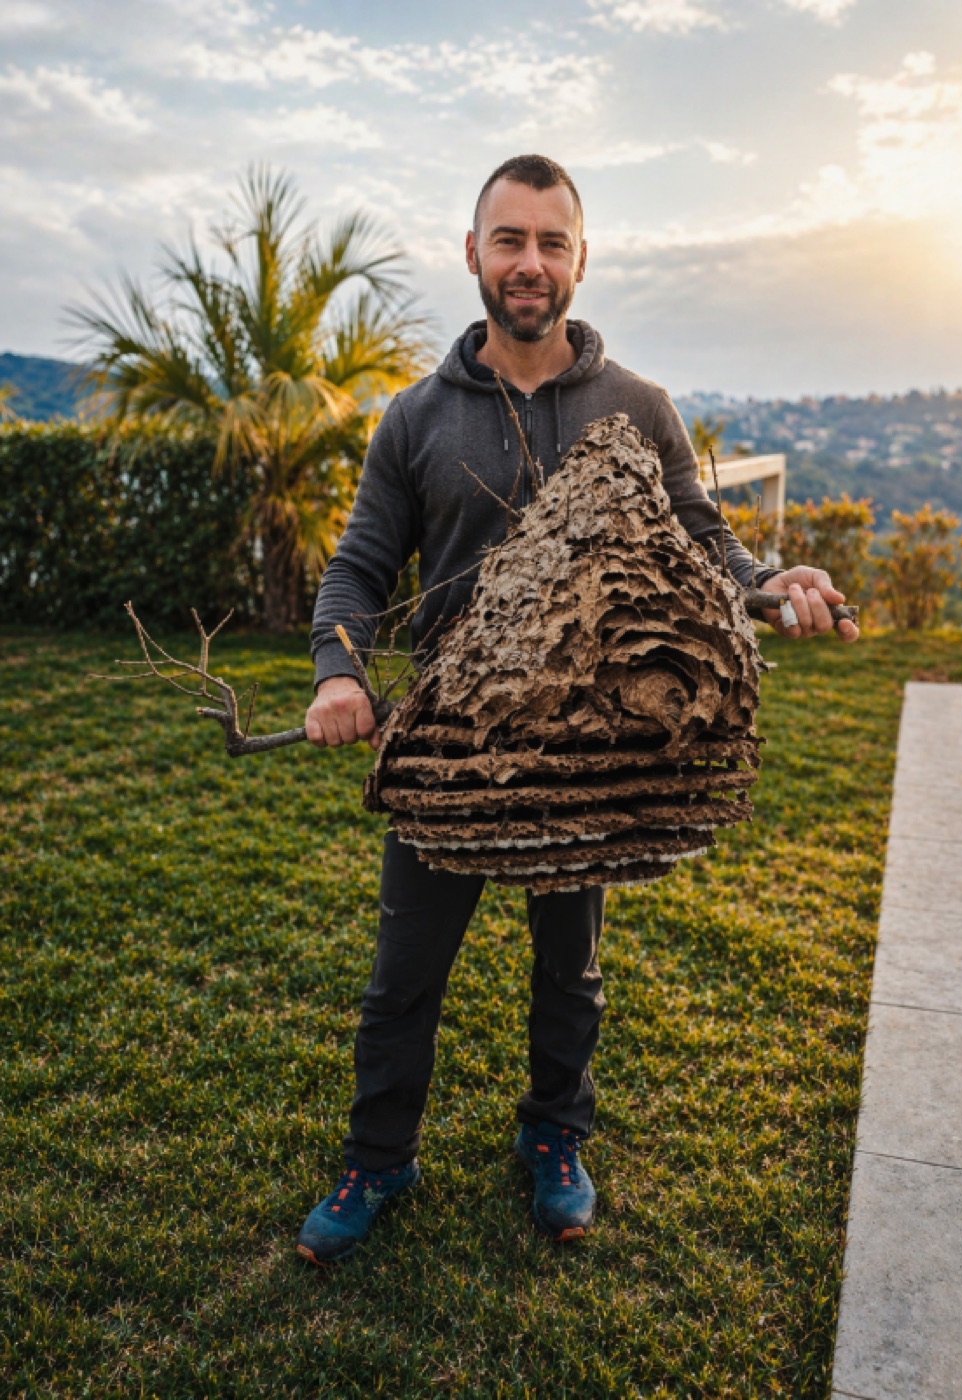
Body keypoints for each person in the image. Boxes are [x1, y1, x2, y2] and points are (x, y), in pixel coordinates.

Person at [296, 154, 859, 1267]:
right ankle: (378, 1156)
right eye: (508, 239)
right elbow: (358, 566)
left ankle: (554, 1137)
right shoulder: (414, 419)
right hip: (450, 751)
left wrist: (766, 585)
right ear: (472, 253)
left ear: (580, 259)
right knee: (403, 975)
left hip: (592, 758)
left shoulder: (636, 408)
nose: (529, 263)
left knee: (572, 968)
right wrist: (338, 672)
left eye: (550, 242)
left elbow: (703, 540)